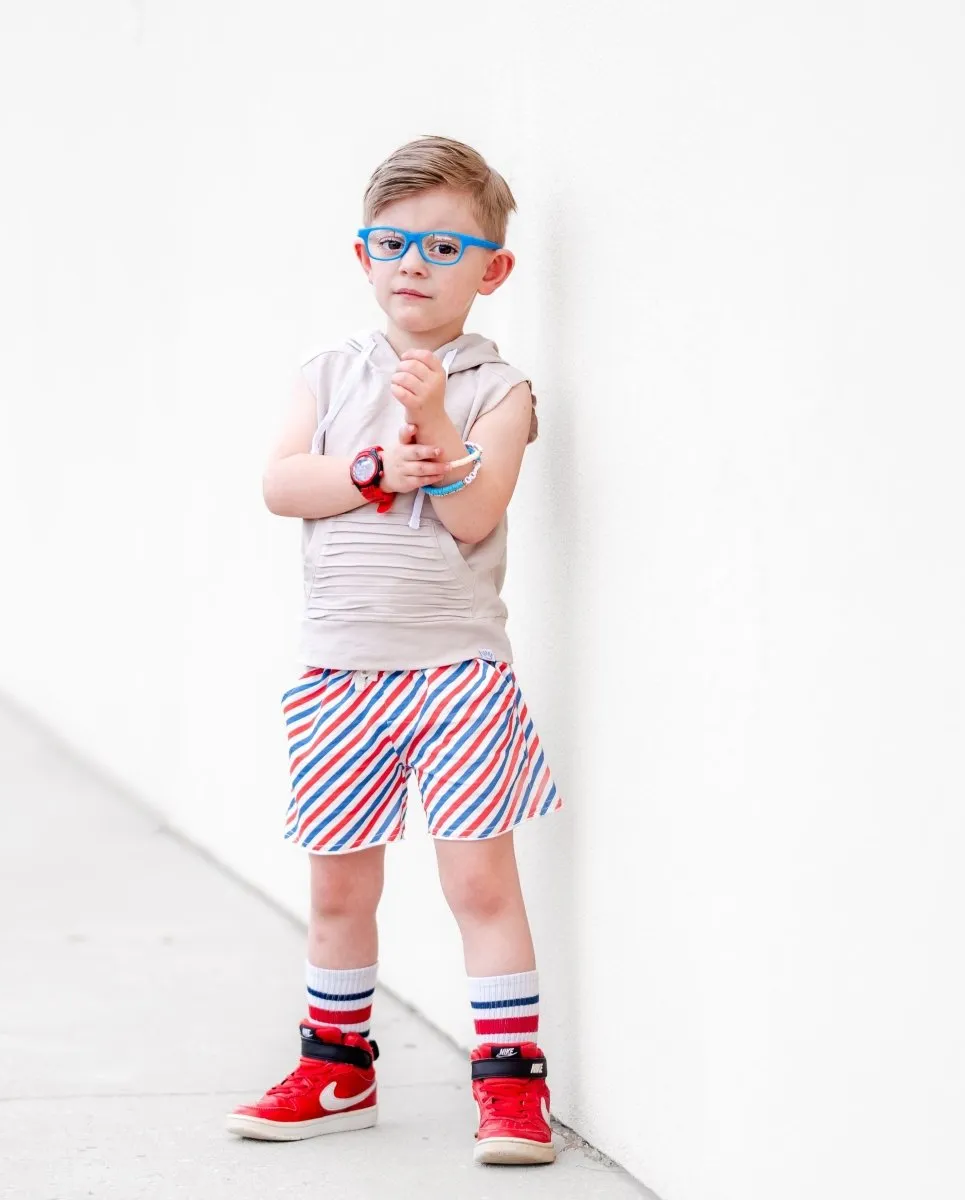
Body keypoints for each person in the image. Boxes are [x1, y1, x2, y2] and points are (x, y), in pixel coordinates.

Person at [226, 135, 563, 1166]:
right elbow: (284, 485)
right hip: (342, 674)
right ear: (364, 255)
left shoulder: (498, 391)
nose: (414, 261)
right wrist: (375, 461)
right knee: (339, 885)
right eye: (393, 241)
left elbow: (477, 515)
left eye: (444, 246)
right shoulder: (327, 373)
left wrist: (432, 420)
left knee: (480, 885)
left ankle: (510, 1088)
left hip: (458, 673)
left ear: (492, 270)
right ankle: (337, 1066)